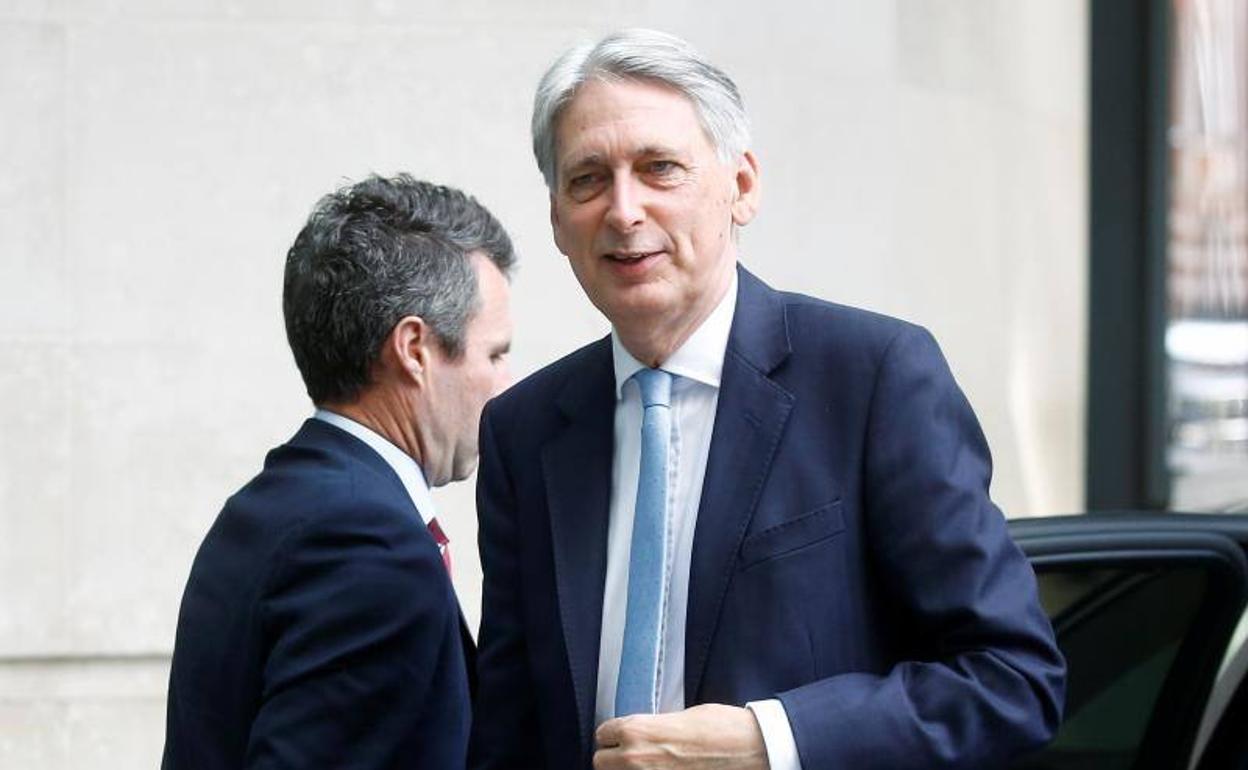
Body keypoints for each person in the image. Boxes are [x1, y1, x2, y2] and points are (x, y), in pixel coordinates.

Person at [470, 29, 1065, 769]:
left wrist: (771, 742)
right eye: (588, 179)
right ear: (558, 220)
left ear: (742, 187)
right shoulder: (524, 431)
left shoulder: (873, 378)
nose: (624, 210)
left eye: (660, 168)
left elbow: (1012, 681)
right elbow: (508, 727)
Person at [163, 174, 515, 769]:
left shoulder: (270, 505)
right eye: (496, 354)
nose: (507, 385)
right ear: (414, 349)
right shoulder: (371, 547)